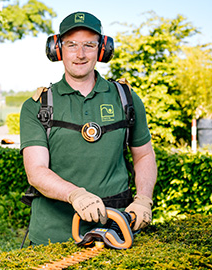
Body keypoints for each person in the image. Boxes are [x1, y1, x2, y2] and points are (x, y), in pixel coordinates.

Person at [19, 11, 157, 245]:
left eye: (89, 45)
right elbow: (36, 171)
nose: (80, 54)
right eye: (71, 45)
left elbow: (143, 154)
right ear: (57, 49)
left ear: (102, 49)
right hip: (52, 235)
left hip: (116, 229)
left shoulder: (126, 98)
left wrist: (144, 199)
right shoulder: (37, 106)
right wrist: (75, 194)